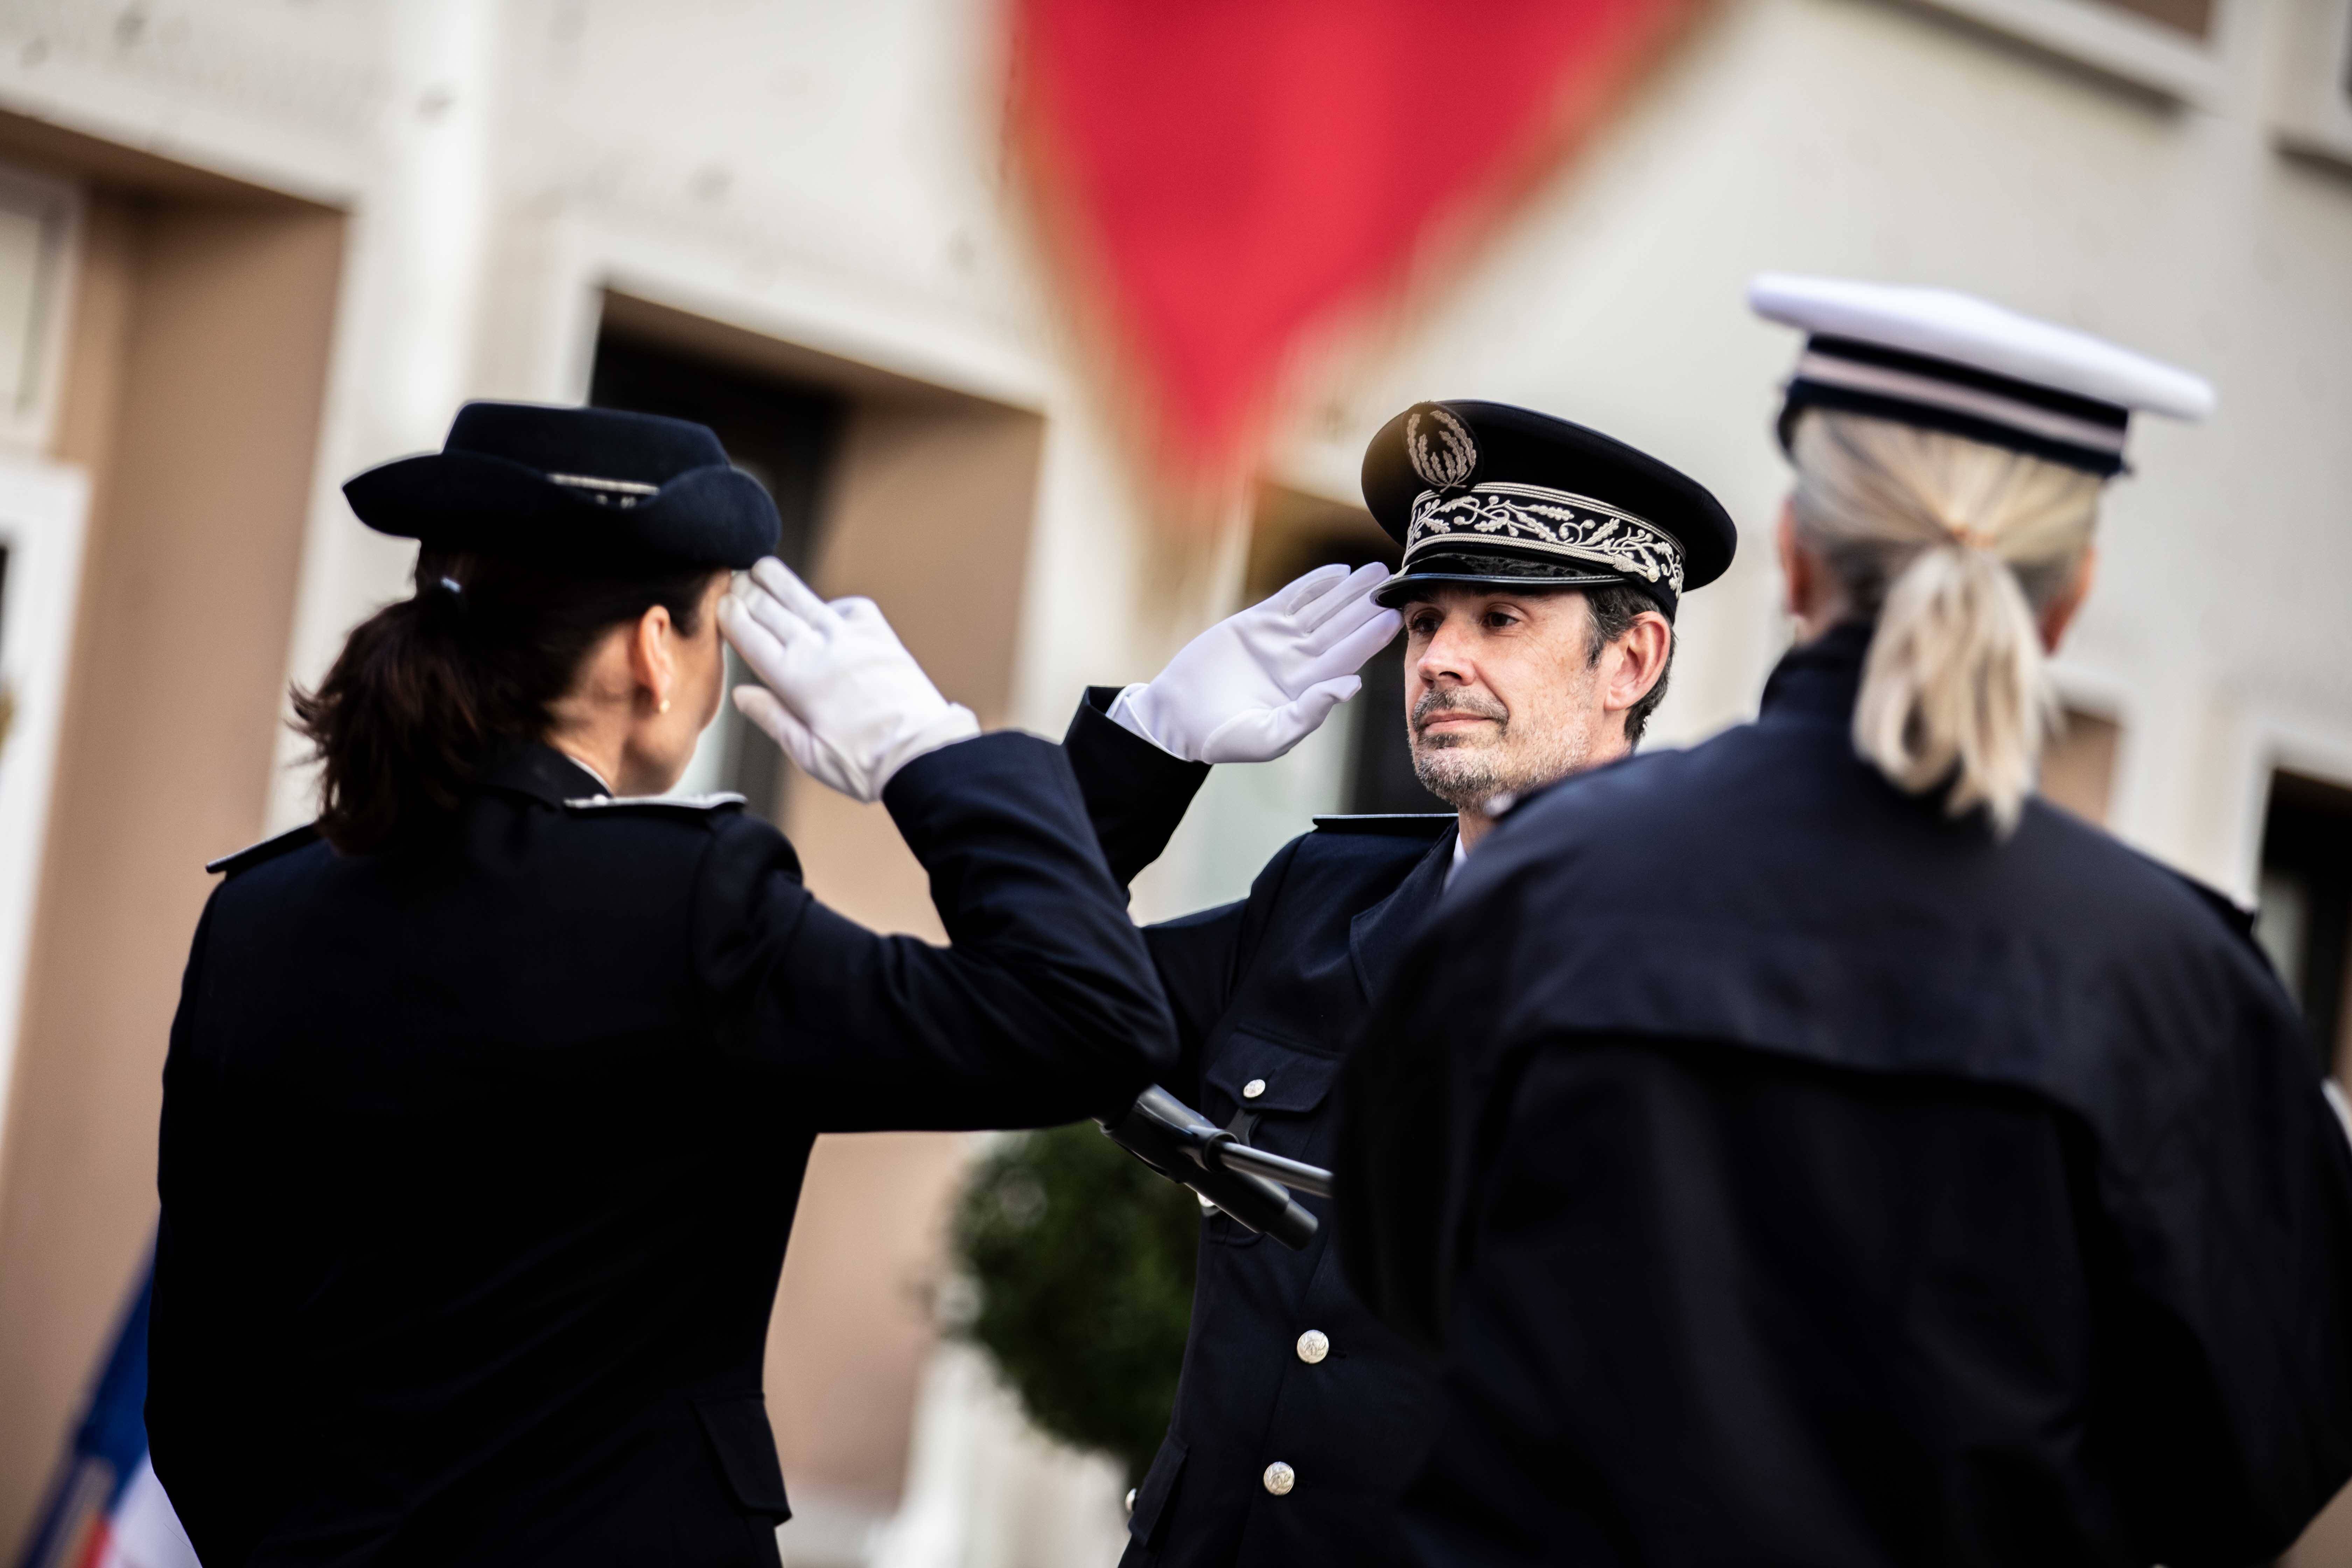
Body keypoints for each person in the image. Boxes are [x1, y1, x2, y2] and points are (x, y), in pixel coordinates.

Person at [1339, 277, 2352, 1565]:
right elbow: (2266, 1474)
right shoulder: (2179, 986)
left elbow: (1401, 1276)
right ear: (2072, 592)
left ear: (1799, 552)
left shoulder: (1545, 892)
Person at [146, 402, 1177, 1567]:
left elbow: (196, 1393)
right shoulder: (689, 904)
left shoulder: (260, 914)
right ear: (650, 647)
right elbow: (1089, 1019)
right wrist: (927, 754)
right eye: (713, 628)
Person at [1063, 400, 1736, 1567]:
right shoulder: (1321, 903)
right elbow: (1031, 1013)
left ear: (1631, 658)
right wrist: (1142, 754)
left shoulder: (1723, 974)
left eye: (1500, 616)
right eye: (1425, 619)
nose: (1439, 659)